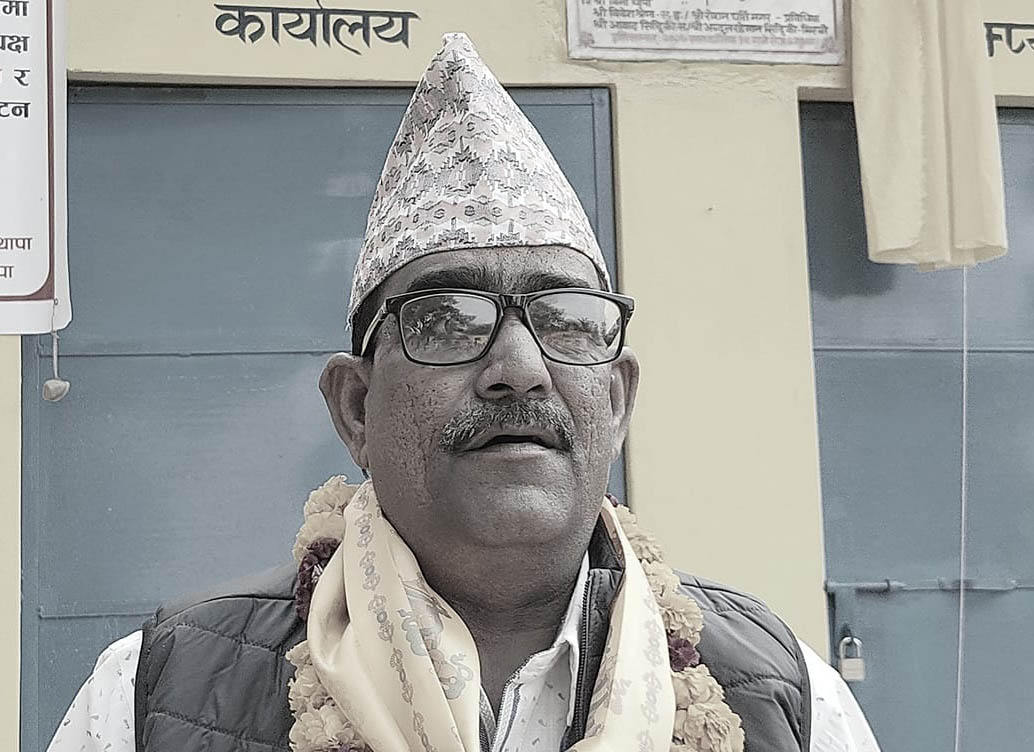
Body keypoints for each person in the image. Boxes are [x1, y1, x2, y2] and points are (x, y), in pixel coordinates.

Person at [47, 33, 880, 752]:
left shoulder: (782, 696)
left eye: (565, 318)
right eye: (446, 319)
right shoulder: (162, 693)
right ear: (356, 409)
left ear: (617, 400)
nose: (519, 366)